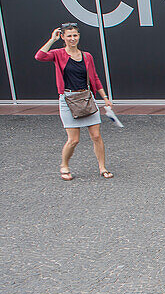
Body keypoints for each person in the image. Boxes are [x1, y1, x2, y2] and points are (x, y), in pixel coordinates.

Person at [35, 23, 116, 180]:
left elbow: (95, 78)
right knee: (73, 140)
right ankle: (64, 165)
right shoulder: (58, 54)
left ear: (79, 36)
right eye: (69, 36)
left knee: (97, 136)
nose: (73, 38)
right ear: (63, 37)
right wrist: (52, 40)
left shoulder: (87, 56)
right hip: (68, 100)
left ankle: (102, 167)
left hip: (86, 97)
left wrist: (105, 97)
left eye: (75, 35)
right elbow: (39, 56)